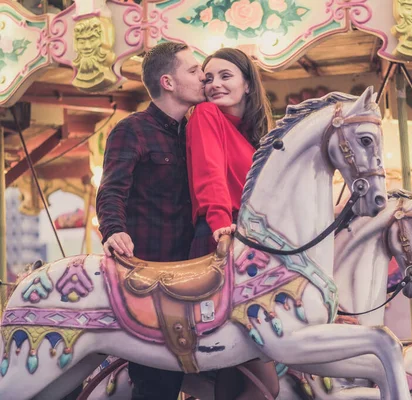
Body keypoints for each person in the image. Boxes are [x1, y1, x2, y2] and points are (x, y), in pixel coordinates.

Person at [96, 41, 205, 400]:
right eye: (192, 70)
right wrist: (114, 230)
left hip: (194, 269)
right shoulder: (132, 130)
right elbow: (111, 190)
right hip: (149, 275)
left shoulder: (196, 132)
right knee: (157, 384)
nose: (202, 75)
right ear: (168, 82)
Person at [186, 48, 279, 400]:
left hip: (250, 240)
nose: (214, 85)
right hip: (222, 237)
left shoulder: (256, 135)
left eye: (226, 76)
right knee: (260, 382)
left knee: (243, 379)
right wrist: (220, 222)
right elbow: (209, 172)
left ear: (248, 85)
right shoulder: (206, 114)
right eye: (208, 78)